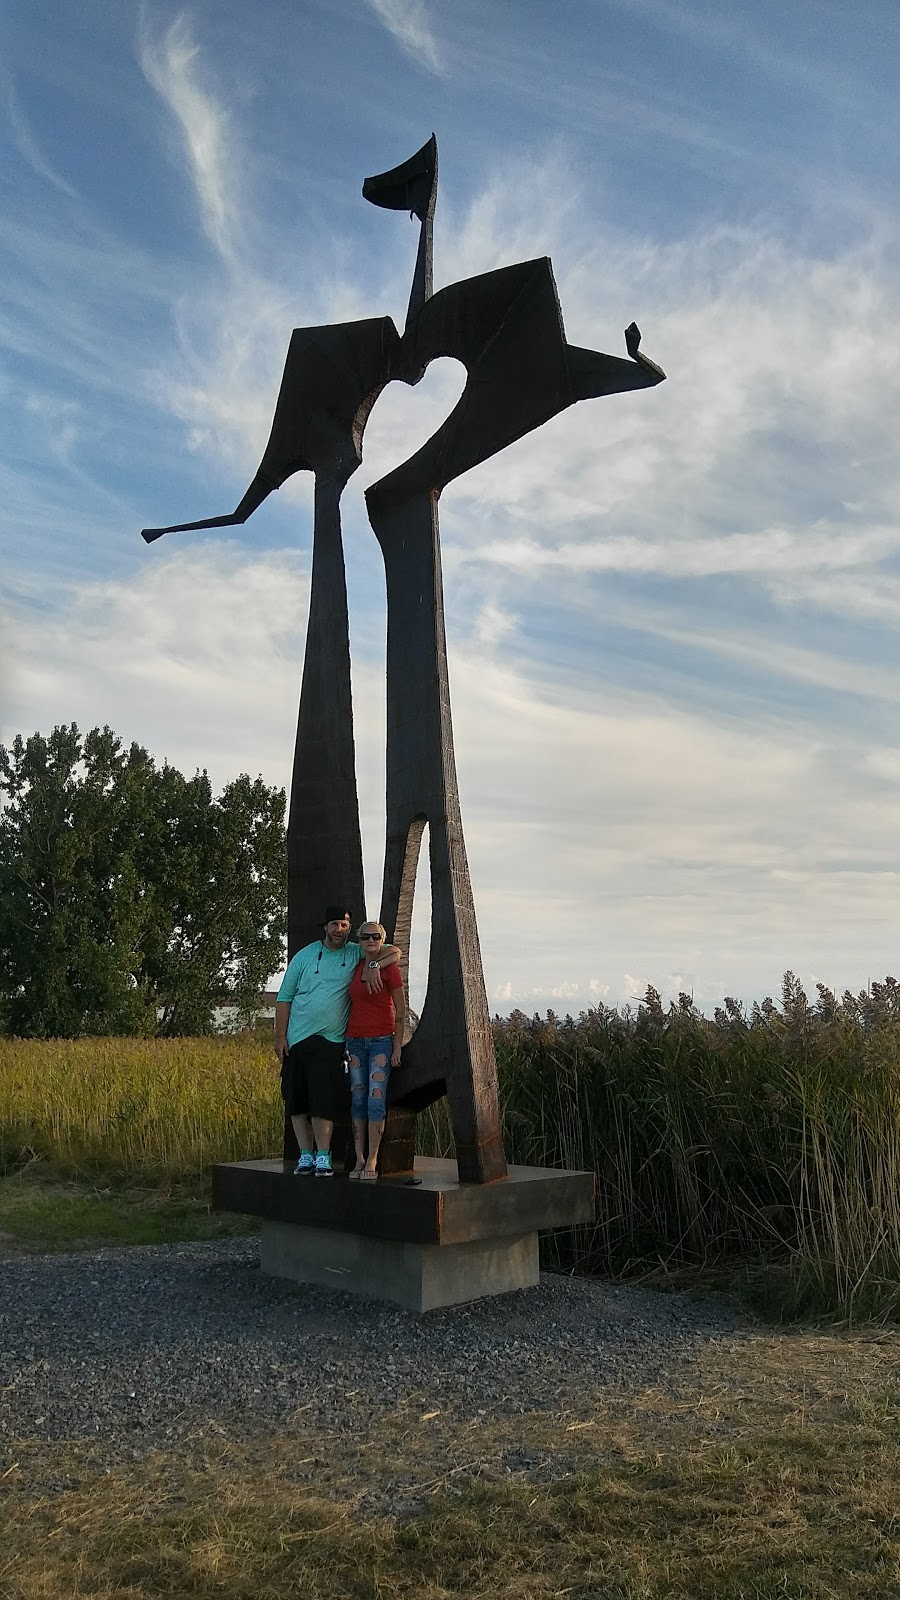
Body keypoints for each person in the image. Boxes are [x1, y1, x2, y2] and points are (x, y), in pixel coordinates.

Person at [273, 905, 401, 1176]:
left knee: (323, 1101)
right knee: (296, 1101)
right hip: (297, 1039)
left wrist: (376, 964)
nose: (339, 930)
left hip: (332, 1040)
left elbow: (394, 951)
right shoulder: (305, 956)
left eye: (344, 925)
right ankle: (305, 1155)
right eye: (334, 924)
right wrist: (280, 1036)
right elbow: (284, 997)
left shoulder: (356, 953)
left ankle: (323, 1156)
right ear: (325, 927)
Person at [346, 921, 407, 1180]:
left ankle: (372, 1159)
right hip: (355, 1041)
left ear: (382, 940)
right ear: (359, 940)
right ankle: (359, 1158)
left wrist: (397, 1047)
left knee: (375, 1099)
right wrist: (370, 964)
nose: (371, 941)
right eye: (365, 937)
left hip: (381, 1040)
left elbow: (401, 1012)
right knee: (357, 1098)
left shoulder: (389, 969)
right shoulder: (355, 965)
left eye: (376, 936)